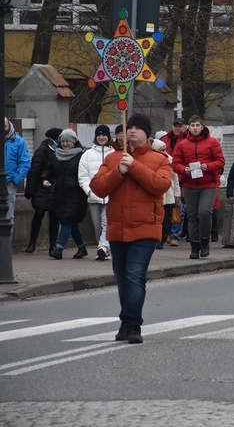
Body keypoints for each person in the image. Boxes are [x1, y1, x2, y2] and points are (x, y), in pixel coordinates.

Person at [90, 113, 172, 344]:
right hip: (117, 228)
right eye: (130, 127)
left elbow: (161, 185)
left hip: (145, 228)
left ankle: (133, 325)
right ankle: (126, 322)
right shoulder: (114, 158)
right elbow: (97, 188)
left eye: (138, 128)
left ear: (147, 133)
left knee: (135, 276)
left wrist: (134, 166)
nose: (133, 131)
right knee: (122, 279)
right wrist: (119, 171)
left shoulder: (159, 158)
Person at [172, 115, 225, 259]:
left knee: (204, 213)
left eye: (197, 125)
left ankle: (205, 241)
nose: (195, 128)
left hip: (208, 184)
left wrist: (208, 166)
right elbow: (175, 163)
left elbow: (220, 161)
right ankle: (194, 246)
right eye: (193, 125)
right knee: (192, 215)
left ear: (202, 126)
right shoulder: (182, 144)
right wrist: (184, 169)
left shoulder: (212, 142)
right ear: (189, 128)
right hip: (190, 185)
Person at [43, 129, 89, 260]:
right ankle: (82, 247)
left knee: (67, 220)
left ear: (74, 142)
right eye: (62, 141)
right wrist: (44, 179)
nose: (65, 144)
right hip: (60, 193)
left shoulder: (81, 156)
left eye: (68, 141)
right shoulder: (55, 155)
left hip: (77, 194)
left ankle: (59, 248)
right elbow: (48, 170)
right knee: (70, 222)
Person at [77, 124, 115, 260]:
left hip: (110, 197)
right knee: (97, 226)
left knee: (107, 223)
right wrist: (90, 191)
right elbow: (83, 176)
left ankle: (103, 248)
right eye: (99, 135)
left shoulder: (113, 154)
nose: (101, 137)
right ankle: (103, 246)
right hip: (93, 196)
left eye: (104, 135)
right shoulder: (87, 154)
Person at [24, 127, 61, 254]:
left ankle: (53, 244)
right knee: (39, 213)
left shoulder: (61, 150)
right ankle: (32, 243)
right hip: (41, 186)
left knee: (54, 216)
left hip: (55, 187)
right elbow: (34, 170)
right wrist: (30, 190)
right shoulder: (43, 149)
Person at [161, 118, 188, 246]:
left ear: (184, 127)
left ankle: (175, 235)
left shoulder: (187, 140)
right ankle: (167, 233)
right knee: (168, 208)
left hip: (182, 177)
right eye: (175, 126)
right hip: (167, 176)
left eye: (180, 126)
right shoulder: (164, 139)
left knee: (179, 208)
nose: (177, 128)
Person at [151, 138, 180, 249]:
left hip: (168, 193)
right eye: (161, 150)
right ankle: (156, 238)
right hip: (157, 193)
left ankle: (162, 238)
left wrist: (177, 194)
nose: (164, 152)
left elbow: (175, 178)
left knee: (166, 219)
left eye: (165, 149)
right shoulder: (152, 160)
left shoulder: (170, 159)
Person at [4, 117, 31, 240]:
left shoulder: (19, 142)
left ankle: (6, 248)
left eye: (4, 126)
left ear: (9, 125)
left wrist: (15, 181)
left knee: (9, 217)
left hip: (9, 184)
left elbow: (25, 163)